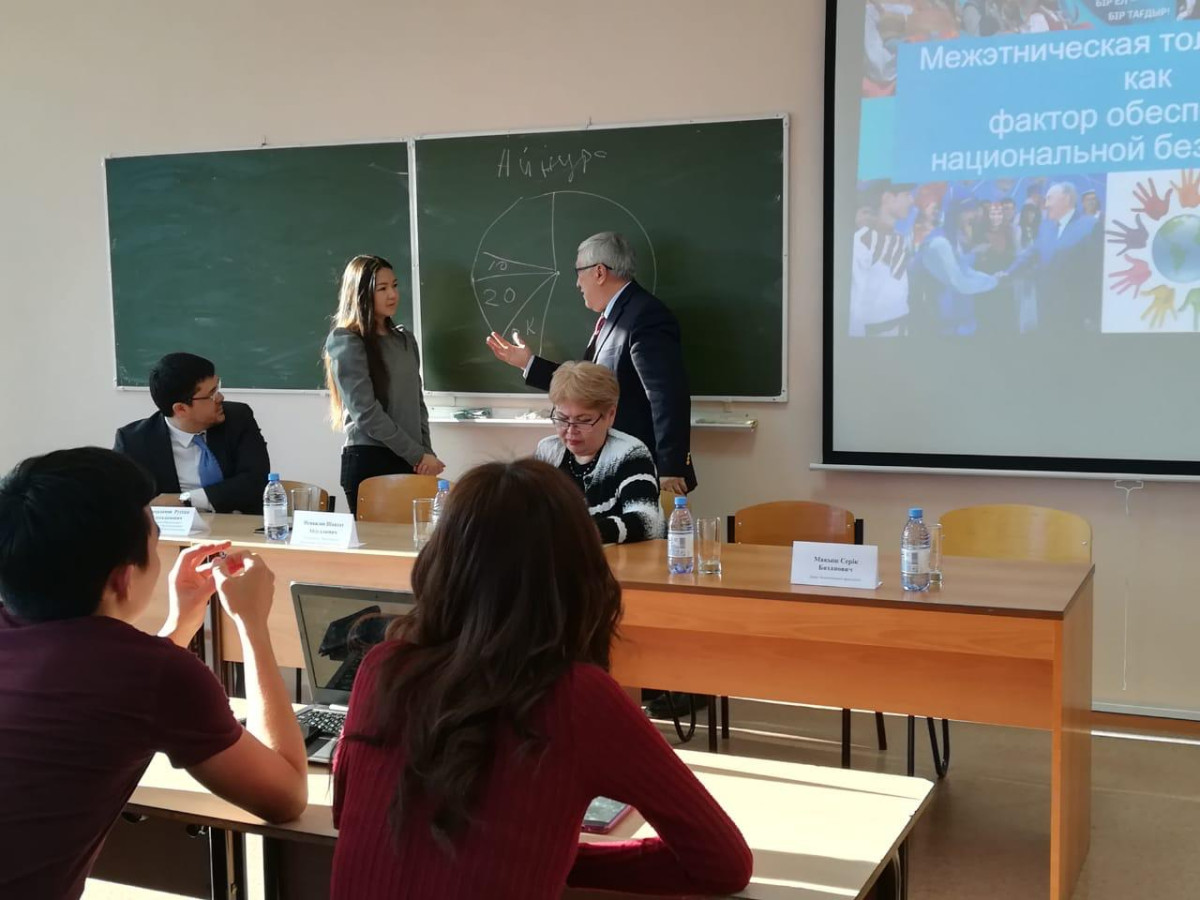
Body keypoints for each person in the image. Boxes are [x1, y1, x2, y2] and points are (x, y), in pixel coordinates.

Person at [330, 459, 752, 900]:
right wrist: (555, 856)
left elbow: (347, 815)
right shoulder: (578, 698)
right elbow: (723, 864)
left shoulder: (382, 667)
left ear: (441, 564)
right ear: (580, 576)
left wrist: (535, 852)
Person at [0, 448, 307, 899]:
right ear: (124, 579)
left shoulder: (134, 671)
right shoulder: (154, 675)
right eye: (155, 542)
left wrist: (181, 622)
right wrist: (252, 624)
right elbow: (286, 798)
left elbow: (114, 684)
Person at [484, 232, 696, 495]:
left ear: (599, 272)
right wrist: (528, 363)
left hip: (640, 466)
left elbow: (666, 395)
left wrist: (670, 466)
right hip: (609, 463)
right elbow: (586, 387)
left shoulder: (645, 315)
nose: (577, 283)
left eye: (578, 272)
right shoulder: (616, 316)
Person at [324, 255, 444, 515]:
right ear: (361, 294)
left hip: (412, 459)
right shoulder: (347, 340)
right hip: (370, 459)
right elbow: (366, 413)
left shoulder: (405, 340)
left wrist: (426, 454)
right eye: (382, 288)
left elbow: (417, 403)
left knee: (418, 537)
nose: (392, 294)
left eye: (395, 285)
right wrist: (418, 455)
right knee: (378, 540)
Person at [114, 352, 270, 514]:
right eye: (211, 394)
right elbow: (122, 501)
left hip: (241, 524)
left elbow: (256, 481)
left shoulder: (238, 418)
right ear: (181, 409)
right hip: (173, 529)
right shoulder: (133, 442)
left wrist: (186, 499)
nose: (220, 397)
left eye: (217, 387)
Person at [533, 362, 663, 545]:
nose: (570, 430)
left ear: (610, 415)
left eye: (583, 420)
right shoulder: (548, 452)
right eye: (562, 419)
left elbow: (648, 522)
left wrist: (578, 533)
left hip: (623, 560)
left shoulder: (630, 453)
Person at [849, 180, 915, 336]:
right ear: (887, 198)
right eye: (906, 195)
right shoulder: (861, 242)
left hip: (902, 328)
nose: (911, 200)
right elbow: (854, 301)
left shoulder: (900, 239)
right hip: (874, 334)